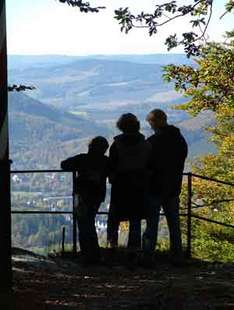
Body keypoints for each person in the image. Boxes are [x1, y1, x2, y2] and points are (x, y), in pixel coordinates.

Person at [142, 109, 188, 262]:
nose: (151, 126)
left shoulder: (152, 142)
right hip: (174, 186)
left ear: (154, 122)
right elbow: (182, 156)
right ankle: (177, 256)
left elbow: (146, 163)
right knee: (174, 224)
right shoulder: (179, 139)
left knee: (152, 224)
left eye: (151, 123)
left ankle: (148, 256)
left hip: (155, 187)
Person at [61, 136, 109, 264]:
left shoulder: (81, 159)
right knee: (89, 223)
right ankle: (94, 254)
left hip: (81, 196)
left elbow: (64, 165)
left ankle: (88, 254)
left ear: (90, 146)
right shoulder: (106, 161)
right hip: (97, 196)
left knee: (83, 225)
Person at [107, 113, 151, 249]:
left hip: (120, 185)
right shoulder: (146, 145)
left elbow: (111, 166)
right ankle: (134, 249)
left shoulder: (116, 145)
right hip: (139, 185)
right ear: (137, 126)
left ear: (121, 127)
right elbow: (150, 165)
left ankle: (112, 246)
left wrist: (113, 177)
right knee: (135, 218)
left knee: (114, 217)